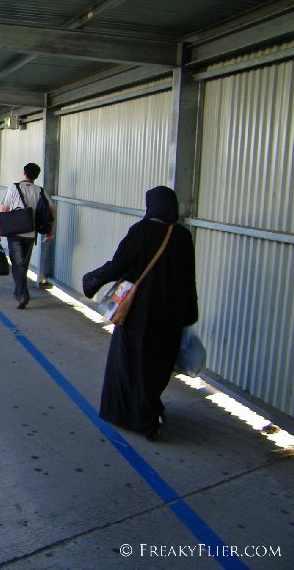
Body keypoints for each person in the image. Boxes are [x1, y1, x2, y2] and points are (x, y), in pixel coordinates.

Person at [82, 186, 198, 440]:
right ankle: (151, 410)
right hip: (171, 316)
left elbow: (118, 265)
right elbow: (189, 279)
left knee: (131, 364)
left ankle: (137, 417)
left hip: (140, 315)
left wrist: (92, 281)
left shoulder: (141, 232)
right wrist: (189, 315)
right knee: (157, 367)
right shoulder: (182, 236)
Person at [0, 163, 55, 309]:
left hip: (14, 232)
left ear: (24, 173)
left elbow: (5, 211)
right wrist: (50, 231)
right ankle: (19, 292)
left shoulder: (14, 187)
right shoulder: (40, 191)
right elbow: (52, 212)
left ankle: (22, 295)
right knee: (22, 264)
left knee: (18, 264)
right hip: (30, 232)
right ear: (36, 176)